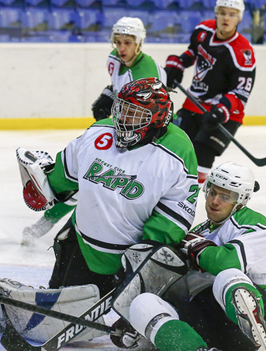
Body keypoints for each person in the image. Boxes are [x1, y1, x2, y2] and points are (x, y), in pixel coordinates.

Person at [0, 78, 199, 344]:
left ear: (158, 118)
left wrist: (140, 260)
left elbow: (174, 216)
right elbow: (63, 178)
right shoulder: (98, 133)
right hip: (80, 244)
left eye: (134, 114)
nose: (123, 119)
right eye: (121, 109)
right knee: (57, 321)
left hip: (127, 260)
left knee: (131, 331)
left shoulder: (178, 151)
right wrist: (42, 185)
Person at [21, 16, 167, 246]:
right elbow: (120, 86)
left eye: (127, 43)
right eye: (117, 42)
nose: (121, 48)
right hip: (128, 128)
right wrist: (110, 93)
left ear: (139, 43)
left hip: (151, 137)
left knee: (99, 181)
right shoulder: (114, 60)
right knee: (88, 178)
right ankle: (51, 226)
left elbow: (154, 116)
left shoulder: (147, 74)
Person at [124, 162, 266, 351]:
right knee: (141, 304)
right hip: (203, 323)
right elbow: (179, 288)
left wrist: (196, 248)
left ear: (241, 201)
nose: (215, 201)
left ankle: (249, 317)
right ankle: (193, 348)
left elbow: (226, 262)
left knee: (227, 275)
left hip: (241, 320)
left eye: (225, 197)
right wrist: (137, 323)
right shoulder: (199, 231)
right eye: (213, 192)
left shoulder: (253, 223)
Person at [163, 0, 256, 184]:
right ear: (216, 14)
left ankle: (189, 200)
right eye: (222, 13)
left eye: (232, 14)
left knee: (201, 157)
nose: (226, 18)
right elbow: (193, 52)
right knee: (173, 151)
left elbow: (241, 92)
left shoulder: (242, 51)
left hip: (224, 113)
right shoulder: (203, 30)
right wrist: (178, 65)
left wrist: (222, 110)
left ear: (239, 18)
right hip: (194, 103)